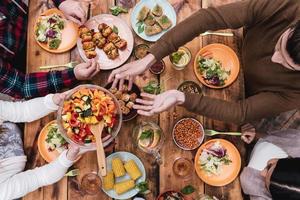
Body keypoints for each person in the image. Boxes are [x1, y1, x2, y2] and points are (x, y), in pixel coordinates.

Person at [108, 0, 300, 124]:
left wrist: (181, 97)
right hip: (236, 45)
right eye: (280, 45)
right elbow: (209, 18)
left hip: (251, 92)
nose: (274, 59)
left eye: (288, 64)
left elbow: (242, 112)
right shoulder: (289, 6)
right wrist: (151, 57)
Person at [0, 91, 91, 200]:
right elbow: (40, 177)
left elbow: (22, 111)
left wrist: (52, 101)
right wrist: (68, 157)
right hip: (24, 175)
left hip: (14, 128)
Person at [0, 0, 100, 99]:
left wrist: (62, 2)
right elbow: (21, 86)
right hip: (18, 63)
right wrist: (73, 75)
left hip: (30, 19)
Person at [240, 125, 300, 200]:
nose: (262, 173)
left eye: (266, 186)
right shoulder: (297, 141)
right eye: (269, 166)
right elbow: (271, 136)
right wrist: (255, 136)